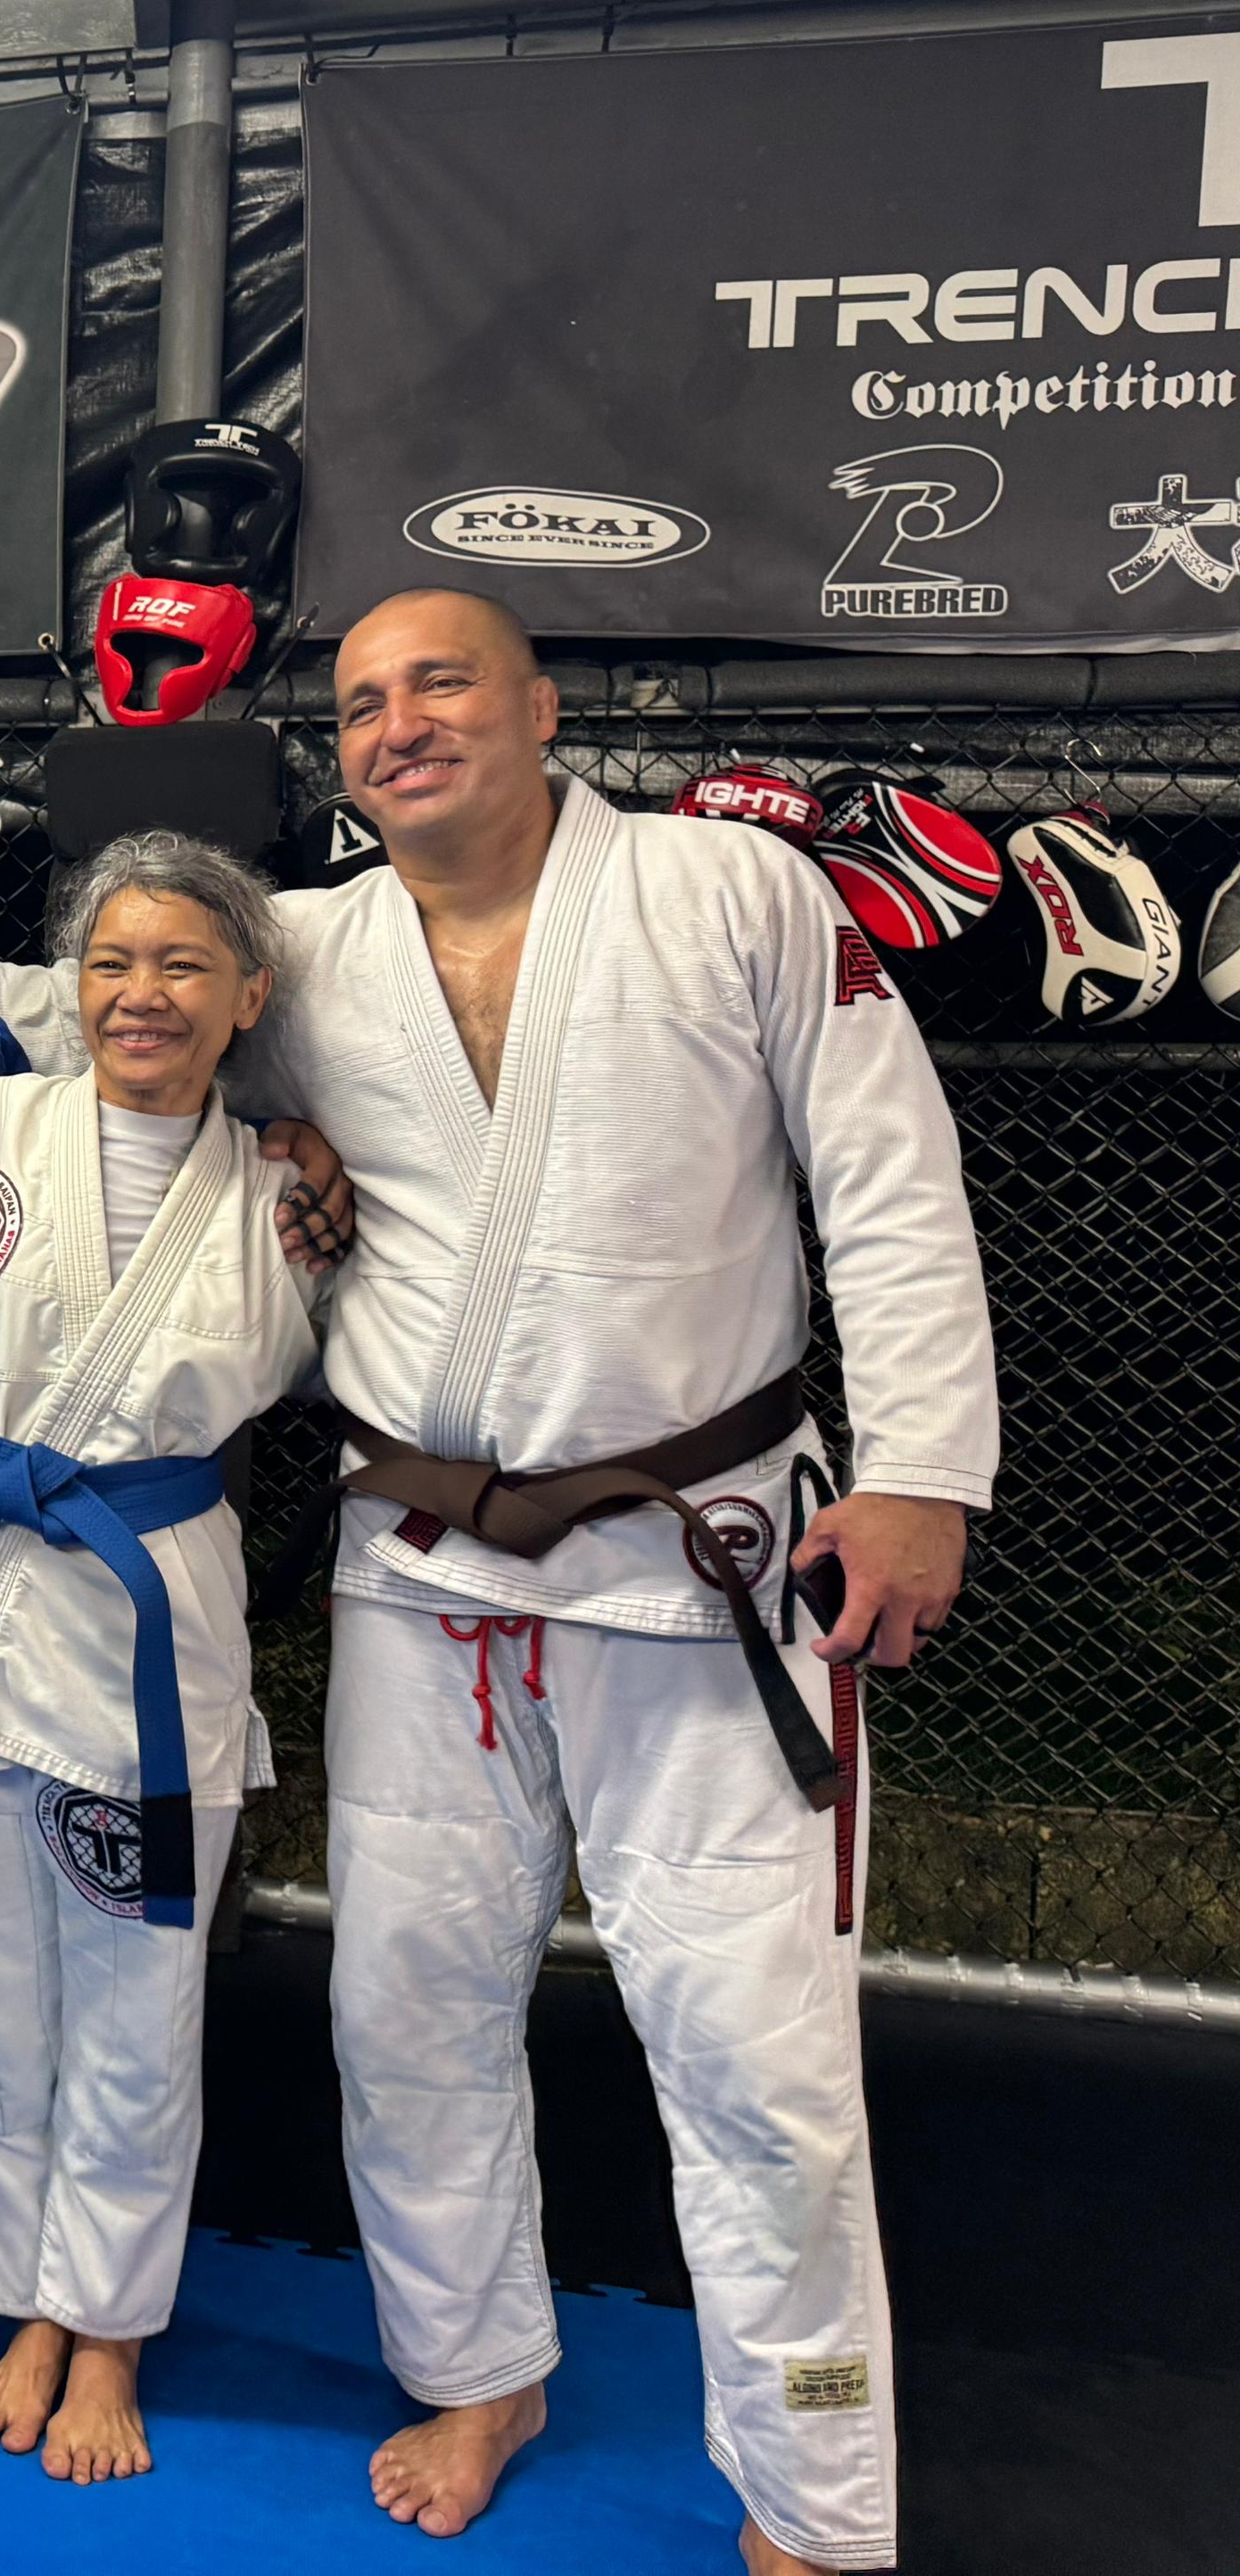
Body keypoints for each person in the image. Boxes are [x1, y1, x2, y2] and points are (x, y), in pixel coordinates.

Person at [226, 590, 995, 2575]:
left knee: (755, 2063)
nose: (397, 725)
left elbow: (886, 1169)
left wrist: (919, 1471)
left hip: (704, 1562)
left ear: (542, 705)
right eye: (361, 702)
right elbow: (89, 1029)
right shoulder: (297, 954)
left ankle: (817, 2501)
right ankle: (474, 2366)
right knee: (403, 2015)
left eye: (440, 683)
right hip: (422, 1578)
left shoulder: (727, 889)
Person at [0, 829, 322, 2483]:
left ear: (250, 995)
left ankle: (109, 2328)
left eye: (183, 965)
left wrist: (306, 1151)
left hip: (143, 1608)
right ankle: (23, 2300)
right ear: (71, 986)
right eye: (112, 962)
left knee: (134, 1989)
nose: (140, 994)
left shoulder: (295, 1192)